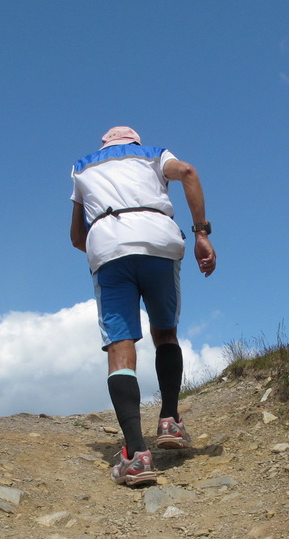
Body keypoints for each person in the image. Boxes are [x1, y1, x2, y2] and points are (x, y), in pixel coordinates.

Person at [69, 126, 216, 486]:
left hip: (108, 248)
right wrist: (201, 233)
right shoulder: (154, 154)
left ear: (104, 145)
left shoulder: (83, 167)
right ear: (134, 142)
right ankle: (170, 420)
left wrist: (110, 242)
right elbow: (188, 172)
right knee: (165, 333)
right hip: (158, 240)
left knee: (120, 349)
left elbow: (76, 237)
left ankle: (136, 455)